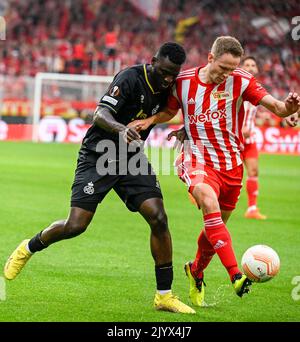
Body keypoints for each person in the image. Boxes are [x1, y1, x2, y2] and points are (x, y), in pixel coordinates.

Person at [3, 42, 195, 314]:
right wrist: (121, 129)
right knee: (76, 225)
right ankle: (28, 247)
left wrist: (183, 128)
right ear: (153, 61)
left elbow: (171, 110)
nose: (167, 79)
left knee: (158, 217)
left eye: (172, 75)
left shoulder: (169, 85)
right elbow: (100, 114)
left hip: (130, 158)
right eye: (163, 72)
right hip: (99, 155)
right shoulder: (129, 78)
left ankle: (164, 295)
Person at [128, 36, 300, 307]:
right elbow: (169, 111)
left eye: (232, 69)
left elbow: (277, 107)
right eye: (223, 68)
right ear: (210, 58)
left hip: (232, 165)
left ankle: (196, 271)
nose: (226, 74)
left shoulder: (241, 80)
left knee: (214, 228)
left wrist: (287, 109)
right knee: (209, 204)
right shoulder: (183, 82)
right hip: (195, 159)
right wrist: (150, 120)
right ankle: (235, 275)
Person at [241, 56, 266, 220]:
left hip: (249, 140)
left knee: (254, 171)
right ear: (241, 68)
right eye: (247, 65)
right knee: (227, 176)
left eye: (253, 65)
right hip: (233, 139)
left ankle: (252, 209)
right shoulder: (236, 86)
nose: (250, 67)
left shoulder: (258, 89)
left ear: (257, 69)